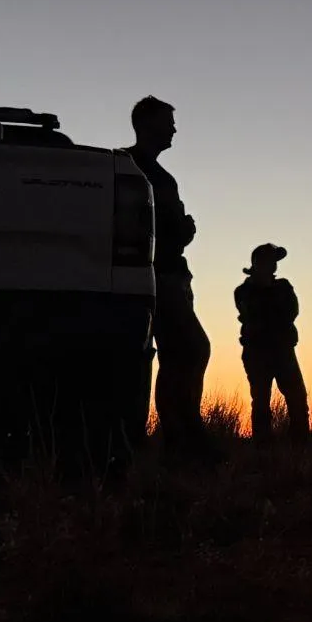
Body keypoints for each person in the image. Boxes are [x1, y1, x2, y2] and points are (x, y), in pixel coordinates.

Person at [125, 96, 212, 456]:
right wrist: (184, 229)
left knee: (183, 353)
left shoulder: (153, 173)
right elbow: (163, 229)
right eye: (168, 121)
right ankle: (182, 439)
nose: (174, 129)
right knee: (189, 350)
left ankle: (180, 436)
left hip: (169, 276)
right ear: (146, 124)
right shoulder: (132, 169)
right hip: (158, 276)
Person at [234, 243, 308, 442]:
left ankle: (300, 443)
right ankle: (263, 446)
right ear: (258, 263)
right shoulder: (243, 291)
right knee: (261, 401)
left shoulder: (283, 286)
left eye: (274, 261)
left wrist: (269, 314)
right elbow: (253, 314)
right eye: (270, 260)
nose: (274, 265)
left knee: (297, 398)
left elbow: (291, 311)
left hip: (283, 350)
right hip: (257, 351)